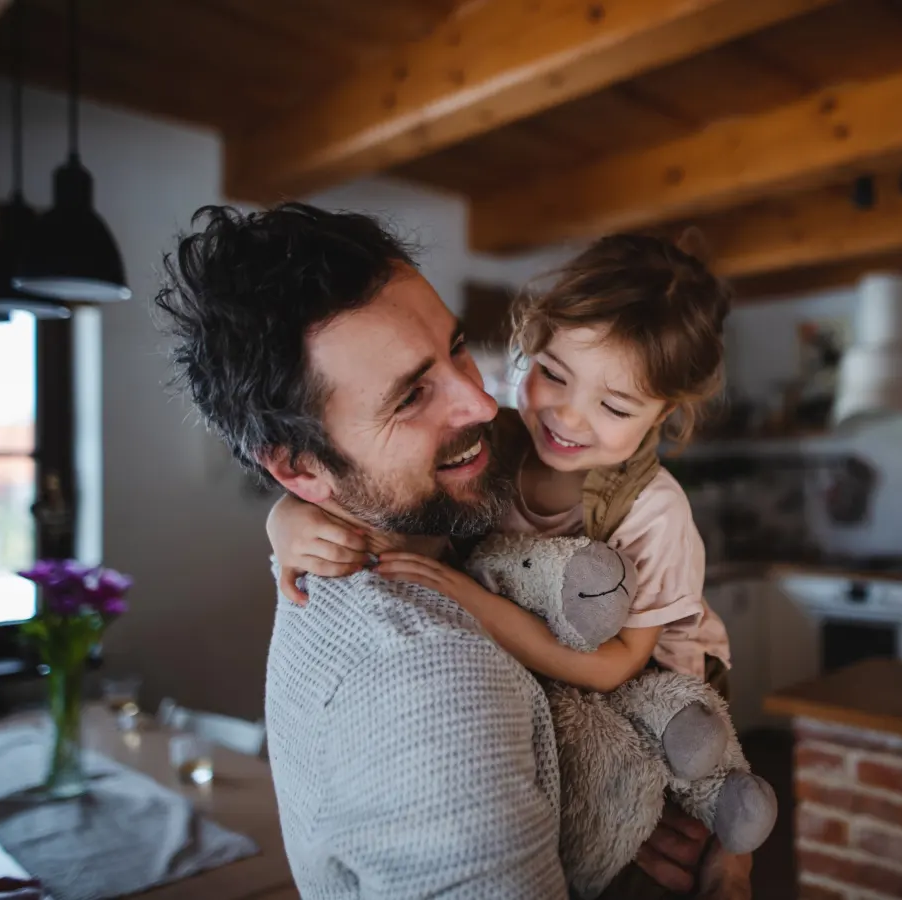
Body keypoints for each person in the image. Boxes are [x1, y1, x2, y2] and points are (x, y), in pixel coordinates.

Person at [153, 203, 750, 899]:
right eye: (412, 395)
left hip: (655, 687)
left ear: (665, 417)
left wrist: (455, 589)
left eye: (459, 347)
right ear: (297, 468)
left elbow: (624, 670)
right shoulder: (428, 667)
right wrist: (284, 520)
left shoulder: (643, 510)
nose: (477, 401)